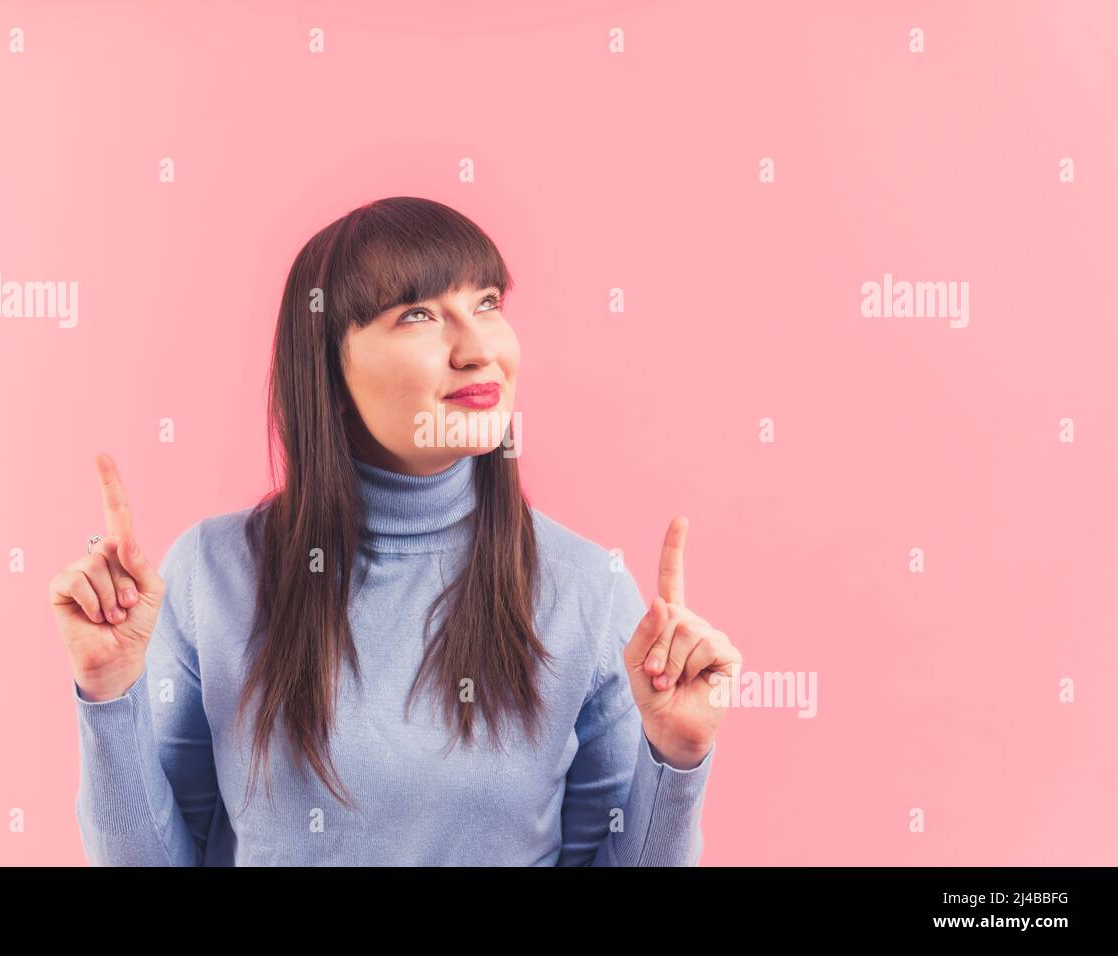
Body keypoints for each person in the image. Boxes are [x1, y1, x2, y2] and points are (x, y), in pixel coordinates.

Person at [48, 196, 742, 866]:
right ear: (329, 365)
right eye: (417, 314)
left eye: (488, 303)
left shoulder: (588, 588)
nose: (477, 349)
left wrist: (677, 759)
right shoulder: (214, 570)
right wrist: (108, 692)